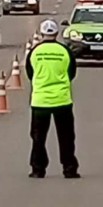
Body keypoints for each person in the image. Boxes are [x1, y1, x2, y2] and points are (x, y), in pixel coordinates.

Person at [25, 19, 80, 179]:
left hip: (40, 101)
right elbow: (71, 73)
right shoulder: (65, 51)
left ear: (42, 34)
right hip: (62, 100)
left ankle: (38, 169)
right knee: (66, 137)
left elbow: (30, 73)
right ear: (56, 34)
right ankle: (69, 169)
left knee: (38, 138)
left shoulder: (35, 52)